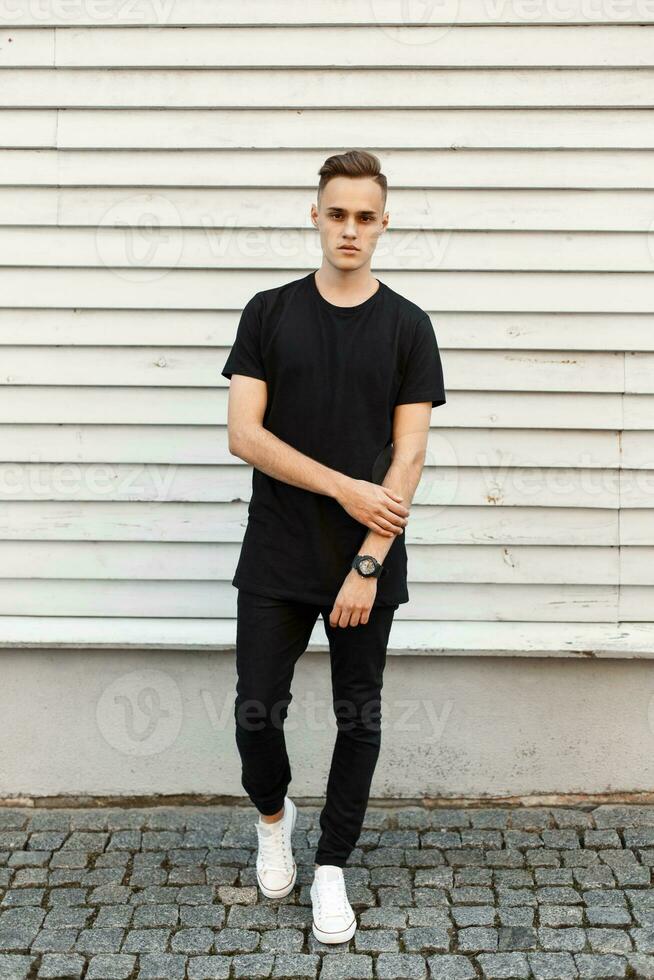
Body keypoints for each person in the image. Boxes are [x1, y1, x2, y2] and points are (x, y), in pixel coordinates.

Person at [221, 149, 446, 944]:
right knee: (256, 712)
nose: (350, 228)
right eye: (338, 212)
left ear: (384, 225)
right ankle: (274, 818)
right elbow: (245, 435)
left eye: (366, 216)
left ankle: (332, 867)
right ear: (315, 216)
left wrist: (367, 562)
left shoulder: (409, 327)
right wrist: (344, 487)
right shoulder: (269, 312)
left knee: (359, 718)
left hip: (366, 562)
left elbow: (407, 458)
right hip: (278, 556)